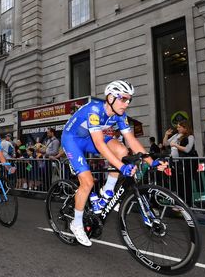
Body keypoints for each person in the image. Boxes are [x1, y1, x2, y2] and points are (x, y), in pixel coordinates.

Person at [61, 80, 167, 246]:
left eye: (129, 100)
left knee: (122, 150)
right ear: (110, 98)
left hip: (89, 138)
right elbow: (99, 144)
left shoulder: (120, 115)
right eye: (123, 99)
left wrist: (151, 162)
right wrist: (121, 167)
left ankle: (107, 191)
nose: (126, 103)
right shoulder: (95, 110)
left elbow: (131, 140)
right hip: (72, 139)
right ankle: (76, 223)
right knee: (87, 182)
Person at [163, 120, 198, 205]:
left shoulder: (190, 136)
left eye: (179, 127)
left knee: (186, 183)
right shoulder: (176, 135)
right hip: (175, 163)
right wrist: (166, 135)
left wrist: (176, 145)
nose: (177, 128)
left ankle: (188, 203)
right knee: (178, 183)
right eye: (177, 127)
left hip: (185, 163)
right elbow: (165, 144)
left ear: (185, 128)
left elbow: (187, 149)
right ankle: (180, 202)